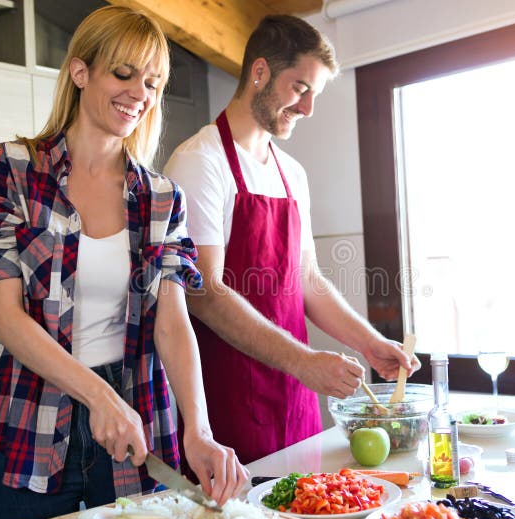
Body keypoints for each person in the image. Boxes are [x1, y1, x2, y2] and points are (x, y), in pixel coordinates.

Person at [0, 6, 247, 519]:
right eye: (123, 73)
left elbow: (172, 322)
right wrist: (98, 396)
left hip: (135, 422)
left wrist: (198, 429)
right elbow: (4, 317)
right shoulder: (14, 169)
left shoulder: (161, 196)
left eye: (152, 82)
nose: (139, 93)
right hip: (29, 416)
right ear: (80, 72)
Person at [164, 15, 418, 466]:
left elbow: (308, 280)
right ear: (259, 72)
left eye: (313, 94)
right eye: (300, 88)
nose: (307, 109)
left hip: (296, 406)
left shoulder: (292, 174)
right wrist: (303, 361)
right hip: (228, 408)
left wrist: (369, 342)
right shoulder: (199, 163)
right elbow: (204, 292)